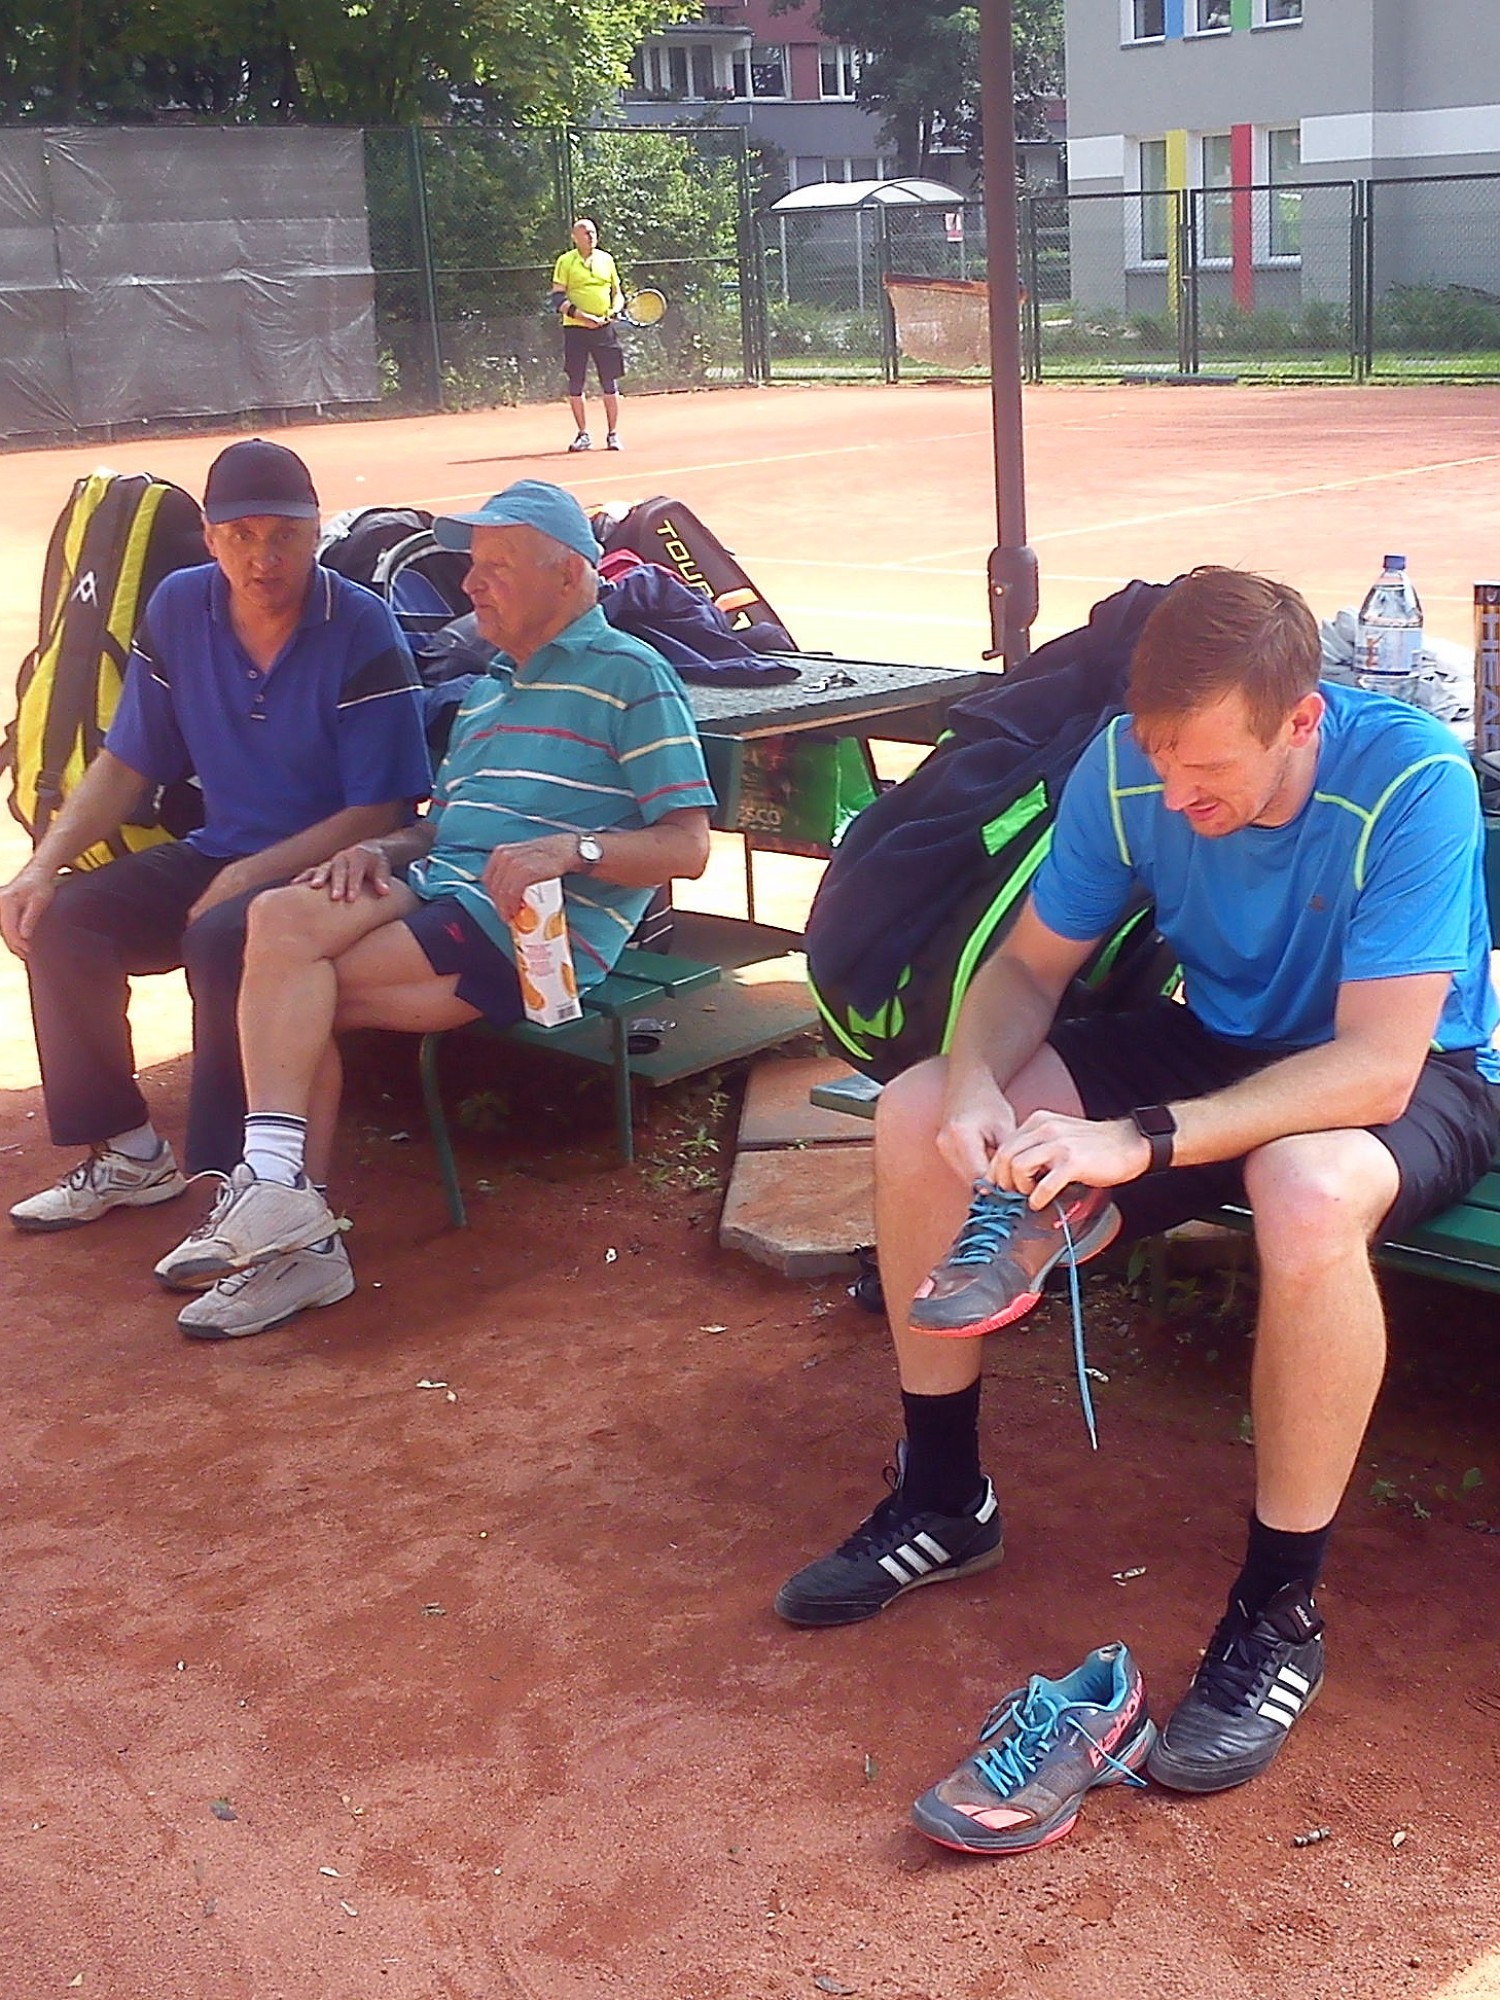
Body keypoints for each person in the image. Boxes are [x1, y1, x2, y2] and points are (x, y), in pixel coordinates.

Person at [774, 567, 1500, 1807]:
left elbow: (1376, 1066)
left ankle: (1278, 1611)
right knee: (911, 1110)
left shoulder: (1411, 778)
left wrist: (1140, 1141)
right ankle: (944, 1496)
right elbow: (1024, 969)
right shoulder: (1125, 763)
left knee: (1305, 1188)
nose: (1173, 794)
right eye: (1160, 757)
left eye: (1206, 767)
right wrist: (974, 1086)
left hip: (1410, 1067)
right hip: (1216, 1041)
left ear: (1302, 720)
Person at [150, 480, 715, 1339]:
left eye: (497, 567)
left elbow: (687, 846)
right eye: (473, 566)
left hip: (531, 929)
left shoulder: (632, 676)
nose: (470, 584)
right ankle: (280, 1200)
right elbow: (440, 829)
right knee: (278, 922)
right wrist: (377, 851)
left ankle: (293, 1227)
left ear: (568, 575)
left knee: (294, 992)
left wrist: (569, 850)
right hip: (441, 885)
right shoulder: (490, 687)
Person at [1, 438, 431, 1267]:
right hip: (218, 851)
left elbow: (379, 810)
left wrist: (247, 876)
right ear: (209, 537)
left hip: (324, 873)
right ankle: (129, 1152)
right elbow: (126, 762)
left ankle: (244, 1182)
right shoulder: (178, 606)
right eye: (240, 536)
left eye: (284, 536)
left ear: (315, 532)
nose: (263, 558)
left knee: (223, 934)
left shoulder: (359, 624)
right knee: (63, 920)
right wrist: (42, 866)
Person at [550, 218, 625, 454]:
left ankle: (613, 434)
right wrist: (584, 317)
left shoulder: (607, 259)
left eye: (593, 232)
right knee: (576, 382)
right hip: (575, 330)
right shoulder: (565, 261)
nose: (591, 236)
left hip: (604, 330)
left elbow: (617, 293)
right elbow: (557, 299)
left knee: (609, 381)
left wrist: (615, 310)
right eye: (585, 233)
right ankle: (583, 435)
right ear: (575, 237)